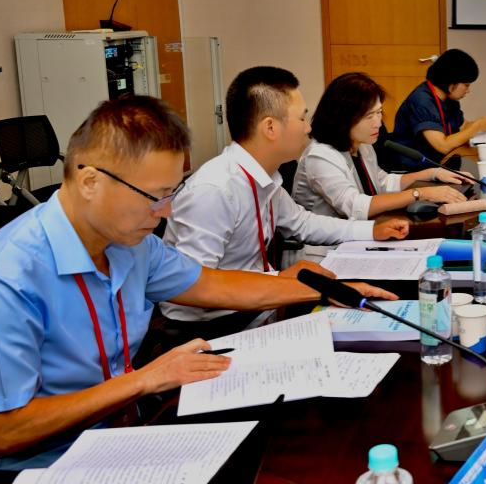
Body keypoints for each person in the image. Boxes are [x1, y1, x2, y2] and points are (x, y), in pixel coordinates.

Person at [0, 96, 394, 471]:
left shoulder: (129, 244)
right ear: (90, 182)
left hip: (120, 436)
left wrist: (330, 290)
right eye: (155, 196)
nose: (166, 212)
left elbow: (213, 285)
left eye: (171, 194)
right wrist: (145, 379)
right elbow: (3, 431)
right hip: (38, 469)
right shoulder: (7, 275)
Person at [162, 67, 409, 336]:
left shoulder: (263, 176)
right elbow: (194, 285)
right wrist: (286, 281)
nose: (308, 128)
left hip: (258, 310)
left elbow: (302, 223)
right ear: (270, 127)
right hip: (211, 328)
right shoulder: (214, 189)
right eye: (301, 118)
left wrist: (372, 230)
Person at [294, 72, 469, 220]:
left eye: (379, 113)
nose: (378, 123)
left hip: (361, 234)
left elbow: (382, 183)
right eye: (369, 116)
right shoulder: (320, 156)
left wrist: (432, 173)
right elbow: (354, 206)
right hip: (328, 247)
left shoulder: (362, 145)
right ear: (342, 117)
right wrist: (420, 193)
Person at [382, 49, 486, 171]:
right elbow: (443, 146)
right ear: (451, 82)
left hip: (439, 166)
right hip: (412, 170)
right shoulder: (422, 101)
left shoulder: (449, 99)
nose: (468, 91)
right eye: (466, 85)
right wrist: (477, 126)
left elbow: (463, 128)